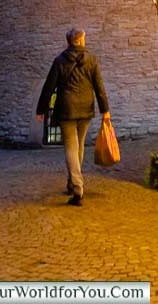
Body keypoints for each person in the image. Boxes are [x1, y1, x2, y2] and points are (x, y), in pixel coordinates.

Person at [36, 28, 110, 206]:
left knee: (71, 146)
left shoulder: (60, 60)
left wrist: (41, 109)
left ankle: (77, 187)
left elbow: (49, 86)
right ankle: (73, 182)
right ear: (81, 40)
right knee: (79, 145)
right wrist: (104, 109)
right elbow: (99, 86)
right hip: (85, 106)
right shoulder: (91, 59)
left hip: (67, 107)